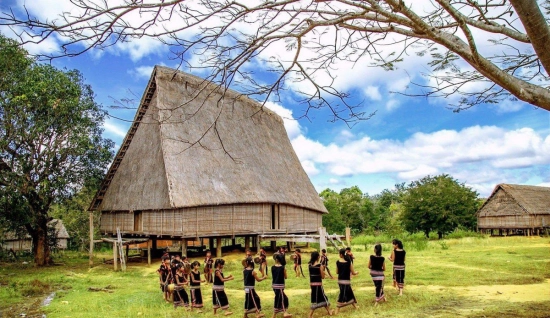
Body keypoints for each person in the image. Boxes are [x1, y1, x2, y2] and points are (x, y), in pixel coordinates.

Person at [308, 251, 333, 318]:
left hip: (312, 284)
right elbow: (322, 277)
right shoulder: (320, 266)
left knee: (321, 297)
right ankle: (310, 315)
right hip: (318, 285)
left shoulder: (310, 265)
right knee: (318, 299)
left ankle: (329, 311)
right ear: (318, 257)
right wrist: (323, 272)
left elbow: (311, 275)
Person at [335, 248, 358, 313]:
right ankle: (337, 309)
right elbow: (353, 272)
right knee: (342, 295)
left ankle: (355, 306)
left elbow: (337, 272)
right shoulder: (349, 262)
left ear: (341, 255)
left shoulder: (337, 262)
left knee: (349, 293)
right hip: (346, 281)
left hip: (340, 281)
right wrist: (356, 272)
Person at [271, 254, 292, 318]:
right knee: (282, 299)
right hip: (280, 286)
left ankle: (274, 315)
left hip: (274, 285)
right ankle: (284, 313)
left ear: (276, 260)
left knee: (282, 298)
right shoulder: (283, 268)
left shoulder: (272, 267)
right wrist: (285, 271)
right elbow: (285, 277)